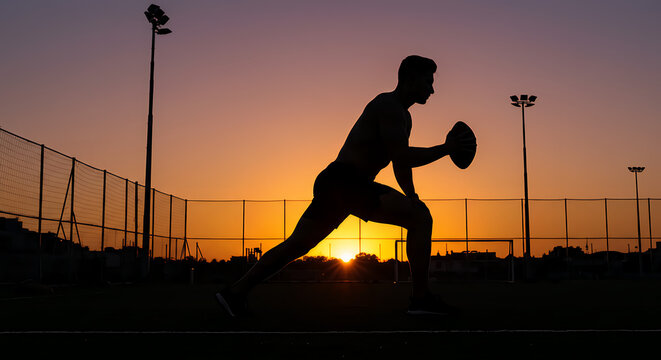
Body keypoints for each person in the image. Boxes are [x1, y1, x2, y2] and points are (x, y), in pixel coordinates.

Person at [217, 55, 467, 317]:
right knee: (420, 218)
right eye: (428, 81)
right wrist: (446, 149)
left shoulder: (403, 115)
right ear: (410, 78)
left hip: (340, 184)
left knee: (296, 245)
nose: (432, 89)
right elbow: (402, 156)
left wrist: (411, 195)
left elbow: (399, 164)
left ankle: (233, 294)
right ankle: (421, 299)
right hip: (346, 183)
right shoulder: (388, 106)